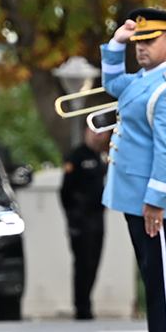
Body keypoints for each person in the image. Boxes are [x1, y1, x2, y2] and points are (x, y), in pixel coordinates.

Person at [100, 7, 166, 332]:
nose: (141, 48)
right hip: (134, 195)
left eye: (149, 41)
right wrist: (115, 43)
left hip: (157, 200)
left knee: (164, 280)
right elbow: (111, 83)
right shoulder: (142, 80)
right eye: (138, 42)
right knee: (152, 275)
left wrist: (155, 200)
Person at [60, 123, 108, 320]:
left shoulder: (102, 157)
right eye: (93, 131)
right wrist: (73, 216)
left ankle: (87, 300)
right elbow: (64, 191)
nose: (97, 135)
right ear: (85, 132)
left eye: (101, 131)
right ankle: (81, 306)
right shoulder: (76, 156)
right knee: (83, 262)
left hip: (97, 216)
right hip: (81, 218)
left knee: (95, 260)